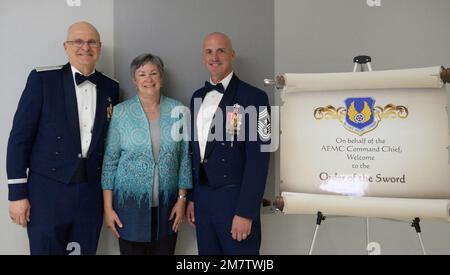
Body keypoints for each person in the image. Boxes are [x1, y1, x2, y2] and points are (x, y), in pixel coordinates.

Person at [6, 21, 119, 255]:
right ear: (66, 47)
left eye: (92, 42)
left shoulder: (111, 88)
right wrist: (17, 195)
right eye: (78, 41)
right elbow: (19, 138)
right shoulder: (42, 80)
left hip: (90, 194)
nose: (85, 47)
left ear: (99, 47)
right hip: (47, 194)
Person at [186, 32, 271, 255]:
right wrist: (193, 198)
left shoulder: (255, 98)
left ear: (232, 54)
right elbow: (195, 154)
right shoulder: (197, 97)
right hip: (203, 201)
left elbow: (259, 160)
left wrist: (246, 212)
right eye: (209, 51)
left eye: (221, 50)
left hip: (235, 200)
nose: (215, 57)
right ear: (203, 57)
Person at [101, 53, 192, 255]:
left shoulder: (179, 110)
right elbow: (110, 163)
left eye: (153, 73)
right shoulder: (120, 113)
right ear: (134, 79)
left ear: (162, 77)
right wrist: (108, 209)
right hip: (128, 208)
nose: (148, 79)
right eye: (142, 74)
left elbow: (185, 159)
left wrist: (181, 199)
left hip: (168, 208)